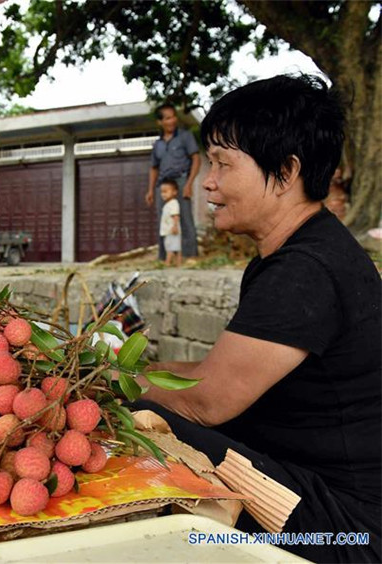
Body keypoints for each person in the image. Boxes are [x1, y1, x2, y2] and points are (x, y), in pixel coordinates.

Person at [134, 74, 380, 562]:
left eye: (224, 164)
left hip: (348, 531)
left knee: (146, 423)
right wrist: (117, 369)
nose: (208, 181)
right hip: (319, 487)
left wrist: (102, 384)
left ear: (286, 173)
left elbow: (205, 401)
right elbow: (210, 374)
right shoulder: (296, 254)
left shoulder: (306, 271)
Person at [144, 103, 201, 261]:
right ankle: (164, 257)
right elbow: (154, 168)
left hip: (181, 180)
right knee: (164, 219)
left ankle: (190, 255)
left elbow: (196, 159)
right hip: (162, 184)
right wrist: (150, 190)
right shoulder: (158, 144)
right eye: (168, 118)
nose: (173, 120)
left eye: (174, 116)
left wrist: (189, 183)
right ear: (160, 122)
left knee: (185, 217)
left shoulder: (185, 136)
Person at [159, 179, 182, 267]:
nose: (163, 194)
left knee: (171, 248)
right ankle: (177, 264)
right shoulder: (168, 204)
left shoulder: (173, 203)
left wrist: (175, 226)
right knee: (174, 247)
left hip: (172, 230)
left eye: (166, 191)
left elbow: (176, 216)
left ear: (174, 192)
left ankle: (168, 263)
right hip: (169, 230)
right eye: (162, 192)